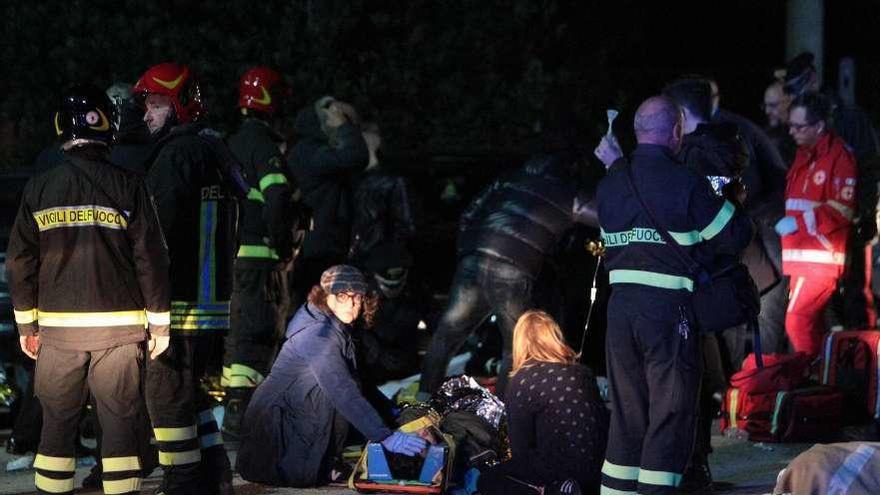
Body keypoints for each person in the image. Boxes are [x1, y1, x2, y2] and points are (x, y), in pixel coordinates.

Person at [7, 84, 171, 495]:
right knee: (118, 421)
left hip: (59, 332)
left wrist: (27, 325)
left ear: (61, 127)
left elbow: (19, 261)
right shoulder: (129, 185)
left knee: (57, 421)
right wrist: (161, 323)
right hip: (120, 330)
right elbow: (151, 258)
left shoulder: (39, 188)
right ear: (107, 125)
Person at [597, 96, 752, 495]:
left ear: (636, 132)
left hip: (619, 313)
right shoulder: (686, 183)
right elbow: (734, 235)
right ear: (677, 132)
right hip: (667, 312)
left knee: (628, 414)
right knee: (670, 413)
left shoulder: (612, 181)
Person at [417, 123, 600, 400]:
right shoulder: (569, 194)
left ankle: (422, 401)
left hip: (474, 260)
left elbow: (469, 215)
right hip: (513, 270)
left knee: (446, 334)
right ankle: (502, 414)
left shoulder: (508, 179)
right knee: (513, 346)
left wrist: (468, 253)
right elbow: (607, 215)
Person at [135, 62, 236, 494]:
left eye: (156, 104)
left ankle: (182, 482)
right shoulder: (215, 150)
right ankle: (215, 477)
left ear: (179, 106)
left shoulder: (175, 155)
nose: (146, 115)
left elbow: (156, 233)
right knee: (190, 398)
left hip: (182, 301)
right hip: (211, 300)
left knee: (166, 397)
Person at [236, 265, 426, 487]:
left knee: (358, 404)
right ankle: (319, 465)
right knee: (344, 401)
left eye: (357, 298)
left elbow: (360, 384)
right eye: (343, 296)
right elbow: (342, 391)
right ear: (326, 296)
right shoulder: (318, 335)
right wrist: (385, 436)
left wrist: (393, 414)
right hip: (273, 442)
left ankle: (326, 462)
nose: (352, 304)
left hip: (293, 419)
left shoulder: (338, 328)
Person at [222, 66, 298, 436]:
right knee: (257, 334)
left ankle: (236, 413)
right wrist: (282, 245)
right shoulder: (263, 146)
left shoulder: (227, 144)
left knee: (236, 336)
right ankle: (244, 420)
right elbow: (278, 197)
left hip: (228, 260)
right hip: (260, 259)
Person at [784, 52, 879, 330]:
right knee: (822, 309)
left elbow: (869, 169)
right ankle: (828, 364)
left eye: (796, 87)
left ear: (812, 80)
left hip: (848, 223)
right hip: (814, 234)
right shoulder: (799, 124)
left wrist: (864, 215)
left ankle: (862, 364)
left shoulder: (849, 119)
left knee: (856, 296)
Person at [472, 310, 606, 495]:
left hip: (560, 468)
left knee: (488, 480)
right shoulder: (582, 371)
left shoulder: (522, 380)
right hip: (598, 467)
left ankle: (556, 489)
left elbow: (520, 447)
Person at [777, 92, 857, 359]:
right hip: (802, 256)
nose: (792, 132)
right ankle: (822, 385)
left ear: (819, 126)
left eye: (799, 126)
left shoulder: (839, 157)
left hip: (820, 259)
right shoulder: (804, 155)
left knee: (797, 321)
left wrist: (796, 223)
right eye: (791, 125)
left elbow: (841, 209)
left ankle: (809, 386)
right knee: (811, 327)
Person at [288, 96, 369, 301]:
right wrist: (343, 127)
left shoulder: (309, 151)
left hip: (317, 245)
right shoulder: (312, 153)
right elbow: (357, 156)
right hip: (318, 249)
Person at [349, 121, 418, 263]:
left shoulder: (391, 181)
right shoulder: (351, 178)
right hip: (356, 256)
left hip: (378, 257)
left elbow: (405, 224)